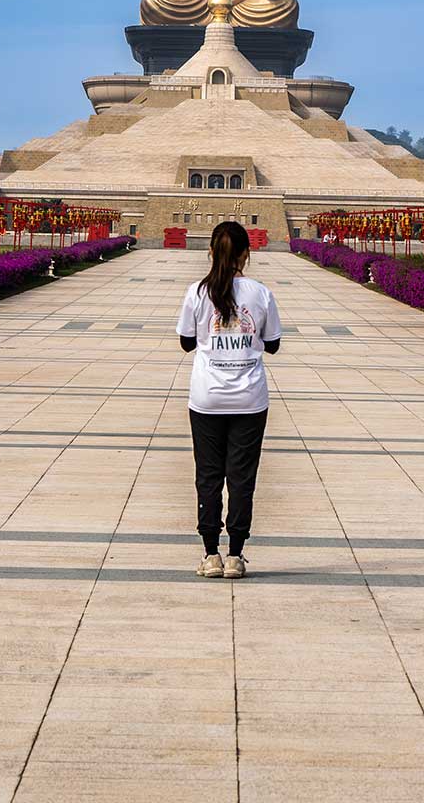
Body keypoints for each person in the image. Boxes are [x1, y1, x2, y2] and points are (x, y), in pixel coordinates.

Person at [176, 221, 282, 580]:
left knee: (208, 475)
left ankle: (210, 554)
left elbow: (187, 342)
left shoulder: (196, 292)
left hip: (207, 397)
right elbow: (273, 343)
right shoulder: (260, 293)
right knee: (241, 478)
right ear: (245, 254)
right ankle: (236, 554)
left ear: (211, 252)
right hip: (249, 399)